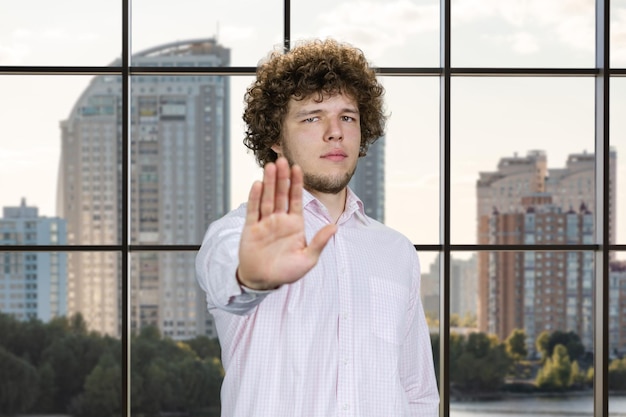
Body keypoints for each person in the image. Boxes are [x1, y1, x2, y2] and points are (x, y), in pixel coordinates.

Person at [195, 38, 439, 417]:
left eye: (347, 116)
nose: (335, 132)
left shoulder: (396, 251)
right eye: (312, 117)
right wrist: (253, 278)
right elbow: (230, 275)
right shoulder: (236, 233)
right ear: (275, 137)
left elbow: (417, 392)